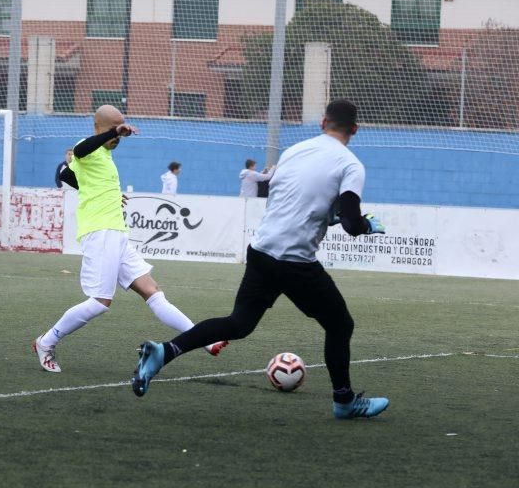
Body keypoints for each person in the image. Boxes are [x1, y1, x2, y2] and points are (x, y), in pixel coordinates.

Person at [131, 99, 390, 420]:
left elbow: (288, 199)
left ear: (323, 123)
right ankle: (344, 401)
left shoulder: (294, 151)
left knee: (238, 323)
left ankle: (164, 352)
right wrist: (366, 225)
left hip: (262, 251)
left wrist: (329, 217)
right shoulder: (351, 165)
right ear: (355, 129)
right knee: (340, 324)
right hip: (295, 260)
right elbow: (352, 224)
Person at [32, 105, 226, 372]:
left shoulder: (104, 155)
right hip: (100, 233)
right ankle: (46, 341)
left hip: (117, 235)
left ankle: (205, 340)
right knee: (99, 303)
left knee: (153, 292)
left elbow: (67, 175)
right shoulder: (86, 147)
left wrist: (109, 195)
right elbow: (78, 152)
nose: (118, 137)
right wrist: (112, 133)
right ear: (99, 127)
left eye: (120, 131)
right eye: (113, 130)